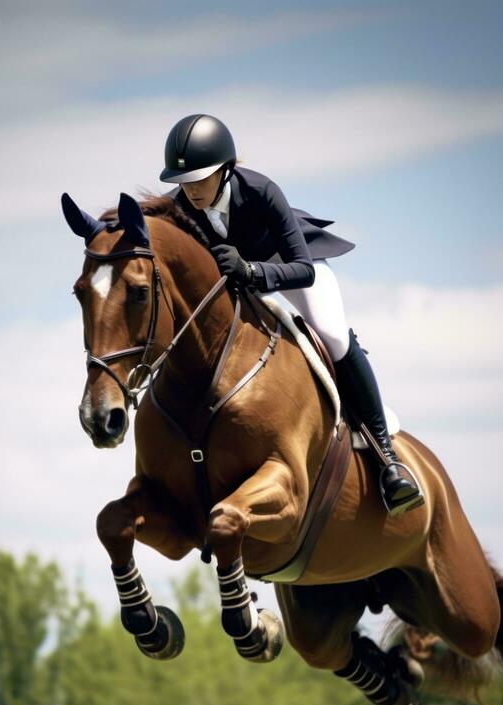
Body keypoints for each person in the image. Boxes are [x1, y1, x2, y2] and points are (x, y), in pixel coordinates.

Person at [159, 114, 423, 517]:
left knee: (332, 334)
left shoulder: (262, 191)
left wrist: (251, 270)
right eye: (184, 181)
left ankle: (387, 459)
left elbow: (304, 268)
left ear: (226, 169)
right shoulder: (183, 209)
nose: (191, 189)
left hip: (293, 269)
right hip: (243, 283)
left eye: (200, 178)